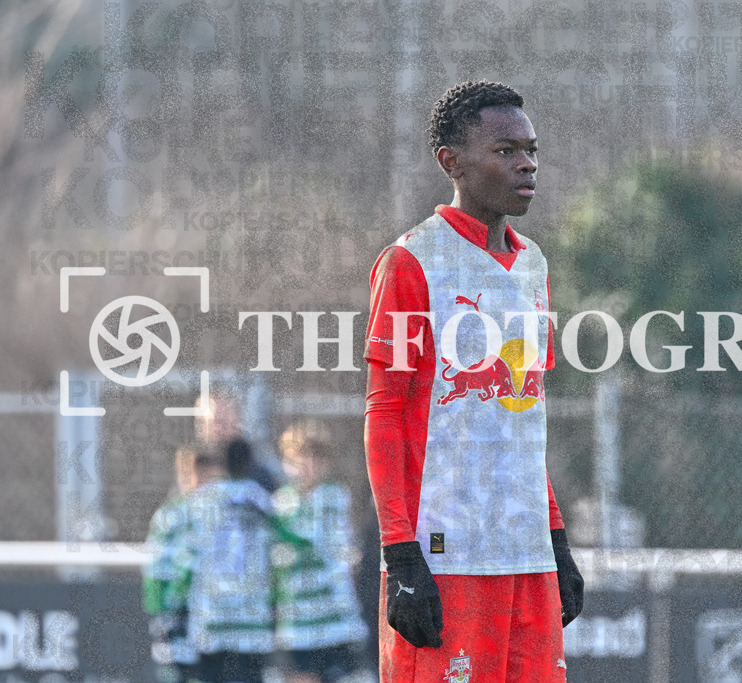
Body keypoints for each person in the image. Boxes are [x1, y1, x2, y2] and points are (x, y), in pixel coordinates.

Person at [363, 80, 585, 682]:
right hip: (445, 557)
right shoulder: (412, 262)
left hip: (526, 557)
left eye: (531, 149)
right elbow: (385, 414)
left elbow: (521, 417)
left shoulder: (534, 266)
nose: (527, 163)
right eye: (506, 149)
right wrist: (400, 553)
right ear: (451, 161)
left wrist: (556, 538)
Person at [171, 438, 309, 683]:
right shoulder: (260, 499)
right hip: (251, 620)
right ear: (249, 463)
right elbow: (289, 538)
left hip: (211, 616)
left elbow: (185, 554)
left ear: (222, 465)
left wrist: (178, 595)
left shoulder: (202, 499)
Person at [273, 420, 371, 682]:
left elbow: (315, 543)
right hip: (296, 620)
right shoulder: (281, 502)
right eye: (297, 457)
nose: (306, 464)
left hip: (335, 618)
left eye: (314, 457)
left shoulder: (334, 496)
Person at [142, 443, 204, 683]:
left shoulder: (218, 513)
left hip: (210, 625)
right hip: (176, 620)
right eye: (188, 475)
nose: (196, 482)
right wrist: (159, 612)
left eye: (202, 475)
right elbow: (155, 571)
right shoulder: (170, 516)